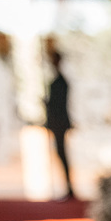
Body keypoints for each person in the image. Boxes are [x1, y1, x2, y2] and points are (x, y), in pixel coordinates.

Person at [44, 48, 74, 200]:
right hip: (57, 122)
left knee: (62, 154)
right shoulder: (59, 80)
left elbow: (59, 104)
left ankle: (69, 187)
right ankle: (67, 187)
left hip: (59, 122)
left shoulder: (61, 81)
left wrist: (49, 105)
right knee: (60, 154)